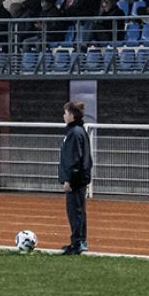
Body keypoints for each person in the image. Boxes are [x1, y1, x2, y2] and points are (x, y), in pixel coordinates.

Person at [58, 100, 93, 255]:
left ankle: (77, 243)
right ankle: (78, 241)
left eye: (65, 113)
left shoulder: (74, 133)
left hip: (76, 180)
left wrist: (68, 180)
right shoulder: (79, 131)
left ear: (71, 115)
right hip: (80, 178)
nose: (63, 116)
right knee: (78, 212)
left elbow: (74, 159)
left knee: (75, 212)